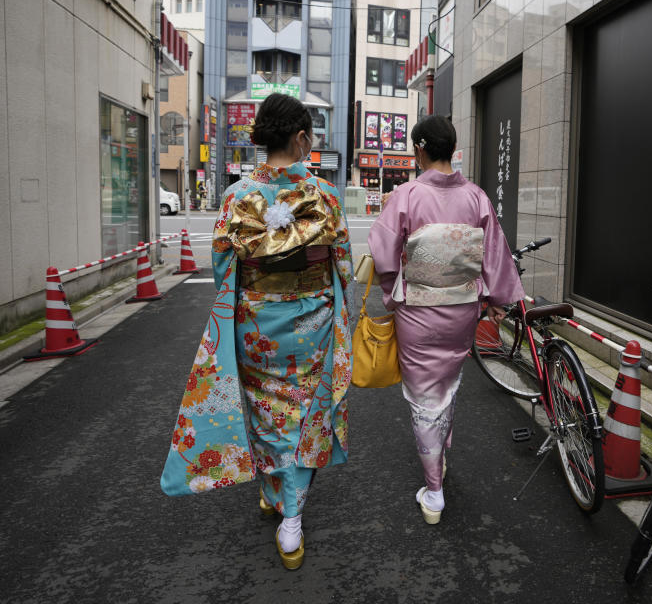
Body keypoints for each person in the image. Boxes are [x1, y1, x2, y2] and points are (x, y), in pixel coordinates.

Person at [160, 93, 353, 570]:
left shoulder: (235, 196)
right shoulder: (324, 196)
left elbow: (224, 265)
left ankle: (274, 492)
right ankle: (292, 521)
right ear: (301, 137)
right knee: (307, 411)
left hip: (256, 324)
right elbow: (342, 264)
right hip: (312, 321)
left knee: (267, 411)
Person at [368, 115, 524, 524]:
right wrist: (494, 298)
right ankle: (439, 454)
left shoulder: (405, 194)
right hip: (461, 308)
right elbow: (494, 254)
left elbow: (385, 254)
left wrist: (390, 290)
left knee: (424, 395)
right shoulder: (476, 197)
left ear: (419, 148)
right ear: (451, 149)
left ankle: (434, 491)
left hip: (417, 310)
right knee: (448, 382)